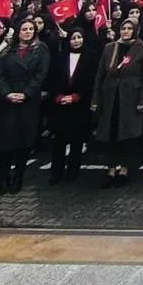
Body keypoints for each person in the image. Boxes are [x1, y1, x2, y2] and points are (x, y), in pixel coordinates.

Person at [0, 19, 49, 195]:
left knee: (23, 142)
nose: (28, 32)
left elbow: (41, 74)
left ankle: (18, 178)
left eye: (31, 29)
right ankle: (3, 178)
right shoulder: (7, 50)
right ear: (18, 31)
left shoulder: (41, 50)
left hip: (28, 100)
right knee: (5, 142)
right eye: (24, 29)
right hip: (7, 100)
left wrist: (26, 93)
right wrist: (7, 93)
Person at [92, 18, 143, 187]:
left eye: (129, 28)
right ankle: (111, 169)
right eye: (123, 28)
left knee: (127, 135)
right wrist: (96, 99)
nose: (125, 31)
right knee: (109, 133)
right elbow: (100, 75)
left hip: (130, 97)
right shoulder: (110, 47)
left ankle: (124, 169)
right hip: (110, 96)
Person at [46, 27, 99, 185]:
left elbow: (91, 80)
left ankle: (73, 171)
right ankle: (56, 172)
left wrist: (77, 96)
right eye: (73, 38)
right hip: (61, 105)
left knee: (77, 140)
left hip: (79, 105)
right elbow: (52, 78)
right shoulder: (59, 57)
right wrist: (59, 96)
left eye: (79, 37)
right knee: (59, 141)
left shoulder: (90, 57)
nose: (76, 41)